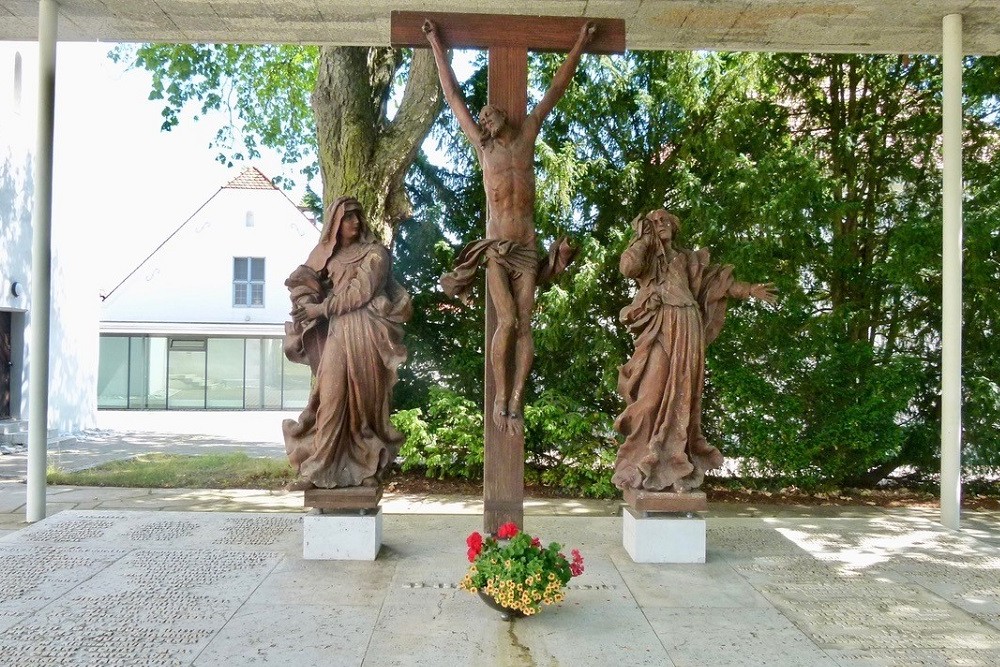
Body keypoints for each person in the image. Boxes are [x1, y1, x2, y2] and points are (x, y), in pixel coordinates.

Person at [424, 18, 593, 432]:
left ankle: (518, 396)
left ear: (502, 116)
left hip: (529, 249)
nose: (484, 117)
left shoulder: (527, 137)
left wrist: (580, 44)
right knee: (509, 323)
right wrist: (434, 42)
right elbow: (452, 96)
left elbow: (555, 90)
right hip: (498, 250)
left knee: (526, 325)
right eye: (481, 117)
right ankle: (500, 394)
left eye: (489, 112)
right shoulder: (484, 151)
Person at [612, 209, 776, 493]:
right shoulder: (648, 258)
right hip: (660, 325)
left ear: (675, 227)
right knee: (649, 397)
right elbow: (627, 267)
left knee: (683, 395)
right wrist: (644, 239)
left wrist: (749, 289)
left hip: (688, 325)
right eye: (654, 222)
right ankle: (639, 462)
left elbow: (718, 284)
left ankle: (673, 465)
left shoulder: (687, 259)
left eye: (665, 220)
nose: (661, 224)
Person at [282, 197, 412, 490]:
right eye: (347, 217)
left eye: (357, 216)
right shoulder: (328, 257)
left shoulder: (375, 254)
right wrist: (306, 303)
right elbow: (304, 281)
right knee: (330, 397)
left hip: (367, 333)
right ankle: (316, 471)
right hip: (338, 332)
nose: (354, 222)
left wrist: (321, 309)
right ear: (334, 224)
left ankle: (365, 468)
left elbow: (360, 293)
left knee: (363, 409)